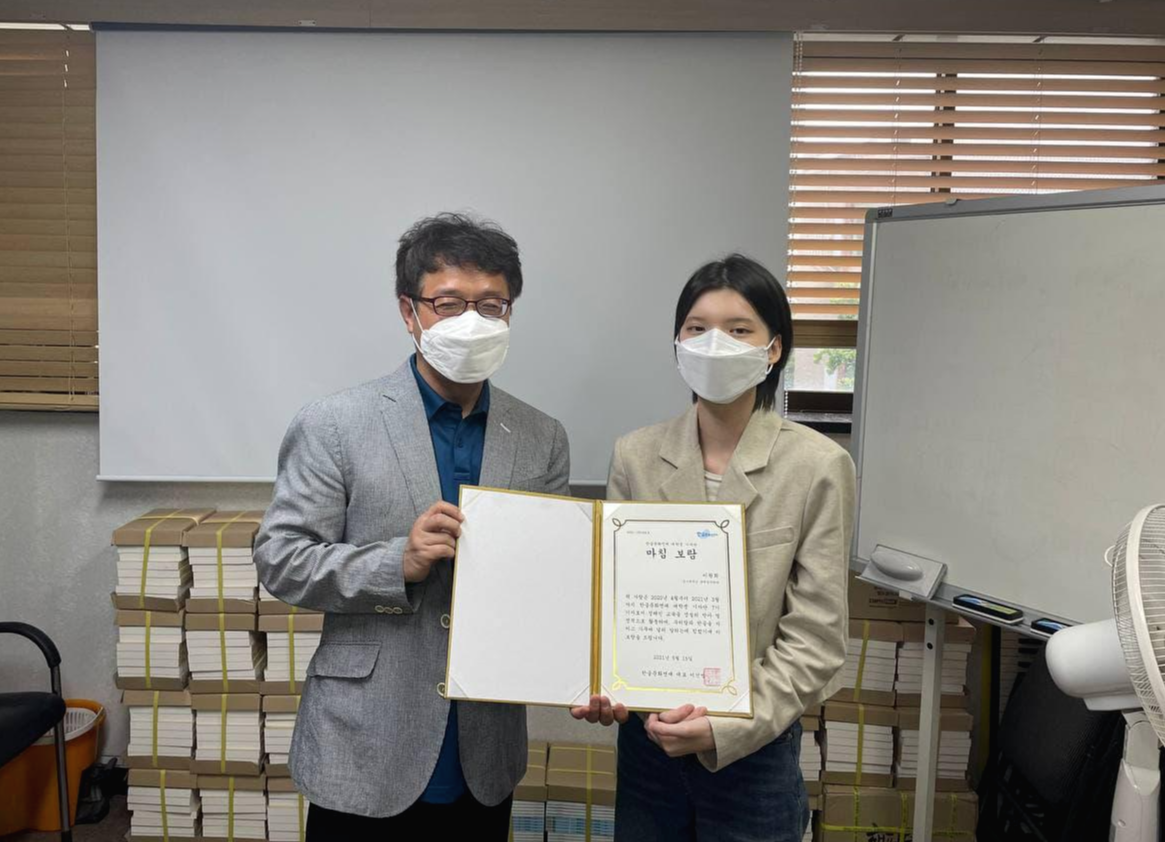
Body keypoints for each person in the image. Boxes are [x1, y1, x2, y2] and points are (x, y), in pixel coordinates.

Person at [255, 213, 570, 839]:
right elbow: (281, 558)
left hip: (484, 746)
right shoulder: (335, 424)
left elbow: (553, 579)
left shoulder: (542, 437)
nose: (472, 321)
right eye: (448, 303)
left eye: (491, 305)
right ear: (409, 311)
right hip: (365, 739)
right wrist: (395, 562)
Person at [572, 254, 855, 842]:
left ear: (774, 349)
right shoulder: (635, 455)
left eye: (739, 329)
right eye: (697, 328)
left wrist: (728, 726)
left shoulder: (818, 465)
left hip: (755, 748)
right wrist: (601, 684)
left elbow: (817, 638)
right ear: (677, 344)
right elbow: (613, 607)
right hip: (649, 744)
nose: (714, 344)